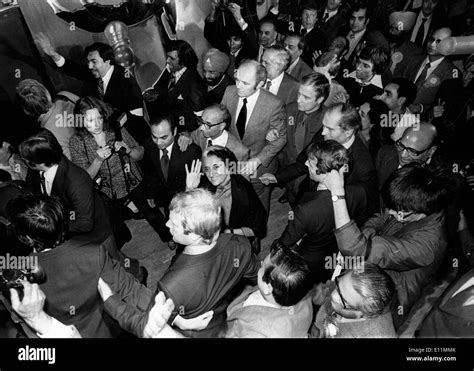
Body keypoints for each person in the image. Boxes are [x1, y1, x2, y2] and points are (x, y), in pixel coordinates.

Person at [100, 189, 260, 338]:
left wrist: (110, 301)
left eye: (173, 224)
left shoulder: (171, 285)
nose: (167, 225)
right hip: (218, 325)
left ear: (195, 235)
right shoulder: (240, 244)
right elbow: (257, 276)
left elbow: (147, 326)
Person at [323, 163, 450, 329]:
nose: (391, 213)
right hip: (370, 272)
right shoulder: (412, 204)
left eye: (398, 211)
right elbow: (382, 217)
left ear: (420, 211)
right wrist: (367, 234)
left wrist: (337, 193)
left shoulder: (426, 246)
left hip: (390, 297)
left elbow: (353, 248)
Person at [6, 195, 151, 337]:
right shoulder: (93, 253)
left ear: (27, 238)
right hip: (104, 331)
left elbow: (20, 316)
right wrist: (168, 316)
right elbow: (131, 290)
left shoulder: (19, 272)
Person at [69, 97, 167, 244]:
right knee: (113, 223)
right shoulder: (77, 142)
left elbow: (140, 154)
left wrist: (128, 150)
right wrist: (97, 160)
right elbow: (85, 178)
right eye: (89, 121)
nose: (96, 125)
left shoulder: (115, 128)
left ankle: (167, 236)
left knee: (150, 212)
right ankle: (123, 240)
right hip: (106, 189)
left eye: (99, 118)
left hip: (131, 179)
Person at [276, 140, 368, 283]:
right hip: (332, 253)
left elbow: (286, 241)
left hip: (309, 259)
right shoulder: (359, 193)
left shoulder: (306, 210)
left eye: (311, 163)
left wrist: (273, 252)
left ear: (325, 172)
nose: (306, 164)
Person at [34, 35, 149, 144]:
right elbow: (73, 69)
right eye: (88, 62)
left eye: (94, 62)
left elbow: (136, 120)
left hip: (136, 138)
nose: (89, 66)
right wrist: (53, 54)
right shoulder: (96, 73)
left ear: (107, 61)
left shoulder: (126, 80)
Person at [221, 59, 287, 212]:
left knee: (259, 206)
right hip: (233, 164)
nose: (238, 86)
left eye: (245, 83)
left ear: (260, 84)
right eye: (237, 80)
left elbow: (281, 138)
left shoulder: (274, 104)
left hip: (259, 169)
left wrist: (257, 161)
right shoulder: (229, 92)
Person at [262, 72, 330, 206]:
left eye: (306, 97)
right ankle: (288, 193)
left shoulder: (326, 123)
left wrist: (278, 178)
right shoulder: (291, 108)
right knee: (290, 189)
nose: (299, 100)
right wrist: (272, 131)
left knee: (299, 203)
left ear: (320, 99)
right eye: (299, 94)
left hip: (306, 173)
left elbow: (307, 161)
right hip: (287, 165)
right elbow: (277, 126)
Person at [225, 247, 314, 338]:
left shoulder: (256, 331)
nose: (260, 264)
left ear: (268, 287)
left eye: (262, 266)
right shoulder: (300, 290)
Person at [185, 146, 267, 244]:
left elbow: (259, 228)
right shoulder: (203, 182)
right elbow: (187, 214)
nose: (211, 174)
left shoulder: (243, 192)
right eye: (207, 169)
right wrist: (189, 189)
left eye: (216, 167)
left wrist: (228, 232)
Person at [142, 116, 201, 244]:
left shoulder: (191, 151)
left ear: (174, 132)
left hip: (185, 199)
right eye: (154, 137)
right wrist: (150, 192)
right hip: (164, 195)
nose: (158, 142)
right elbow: (150, 171)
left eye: (164, 137)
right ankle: (171, 237)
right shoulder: (149, 144)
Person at [310, 263, 397, 338]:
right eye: (338, 285)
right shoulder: (347, 286)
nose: (333, 295)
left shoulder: (376, 335)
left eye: (343, 300)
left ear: (363, 313)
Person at [143, 40, 207, 132]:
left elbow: (198, 119)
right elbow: (162, 88)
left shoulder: (195, 84)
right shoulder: (171, 69)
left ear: (184, 61)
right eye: (167, 57)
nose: (167, 61)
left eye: (171, 58)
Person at [399, 27, 460, 117]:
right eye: (431, 39)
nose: (432, 44)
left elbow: (445, 109)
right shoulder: (413, 59)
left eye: (439, 41)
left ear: (449, 46)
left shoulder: (451, 74)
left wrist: (420, 108)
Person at [15, 79, 78, 159]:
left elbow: (73, 162)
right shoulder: (65, 96)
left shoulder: (47, 137)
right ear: (48, 94)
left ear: (27, 112)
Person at [177, 104, 250, 162]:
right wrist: (185, 135)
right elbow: (190, 136)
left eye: (208, 124)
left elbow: (240, 180)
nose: (202, 128)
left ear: (222, 126)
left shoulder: (239, 152)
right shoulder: (201, 132)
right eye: (201, 121)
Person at [261, 45, 300, 109]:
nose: (262, 65)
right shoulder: (255, 76)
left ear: (280, 66)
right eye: (262, 60)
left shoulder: (294, 87)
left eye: (266, 63)